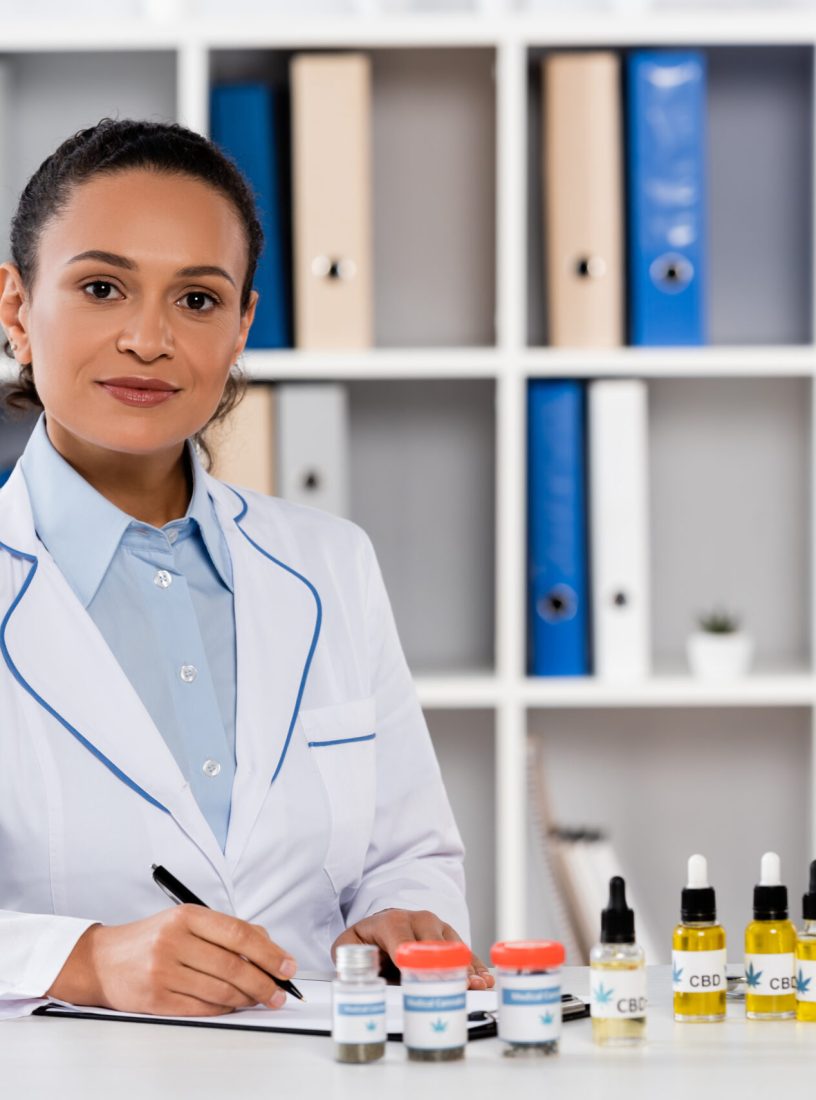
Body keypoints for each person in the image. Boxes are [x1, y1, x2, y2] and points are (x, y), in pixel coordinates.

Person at [0, 118, 492, 1021]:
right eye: (103, 287)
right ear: (16, 307)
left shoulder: (330, 563)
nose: (149, 340)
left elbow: (412, 854)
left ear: (241, 327)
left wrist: (395, 922)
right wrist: (82, 961)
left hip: (326, 1069)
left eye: (196, 300)